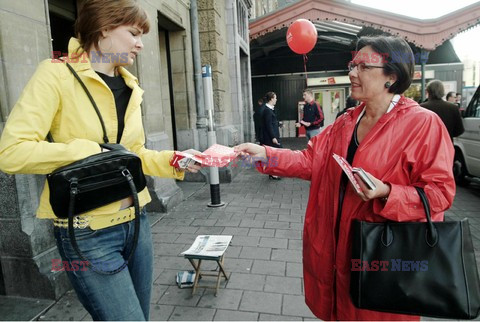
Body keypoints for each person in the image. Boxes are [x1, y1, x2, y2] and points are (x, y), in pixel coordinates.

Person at [0, 0, 201, 320]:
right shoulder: (55, 75)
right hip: (86, 231)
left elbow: (132, 154)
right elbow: (11, 152)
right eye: (134, 33)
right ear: (105, 28)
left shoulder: (131, 87)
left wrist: (178, 160)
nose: (140, 44)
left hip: (137, 224)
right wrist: (85, 151)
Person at [235, 36, 455, 320]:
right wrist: (265, 154)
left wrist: (387, 192)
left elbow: (439, 193)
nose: (352, 72)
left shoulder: (422, 124)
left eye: (363, 66)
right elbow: (310, 161)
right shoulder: (346, 121)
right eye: (353, 64)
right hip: (335, 254)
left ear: (392, 75)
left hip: (383, 261)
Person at [260, 91, 282, 180]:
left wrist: (278, 123)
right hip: (270, 137)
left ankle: (272, 172)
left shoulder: (270, 109)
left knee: (274, 155)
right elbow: (268, 125)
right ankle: (273, 173)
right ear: (272, 99)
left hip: (272, 136)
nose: (276, 100)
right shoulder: (267, 111)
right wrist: (273, 137)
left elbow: (271, 122)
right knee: (274, 155)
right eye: (275, 98)